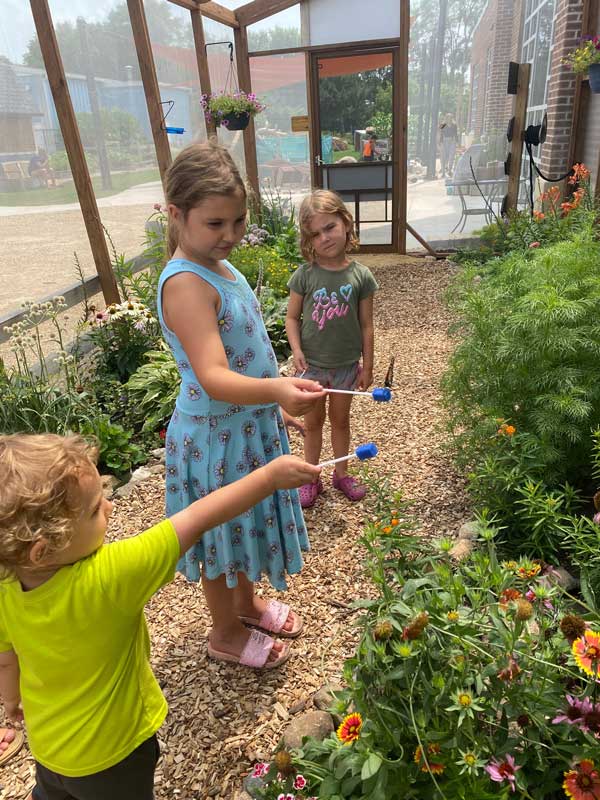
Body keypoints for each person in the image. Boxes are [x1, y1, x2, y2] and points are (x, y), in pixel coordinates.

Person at [0, 433, 319, 800]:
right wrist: (268, 478)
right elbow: (197, 518)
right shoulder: (111, 577)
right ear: (42, 551)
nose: (110, 508)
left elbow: (7, 659)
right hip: (114, 756)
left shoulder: (6, 586)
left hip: (49, 750)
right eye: (93, 509)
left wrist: (10, 701)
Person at [159, 142, 326, 669]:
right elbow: (212, 377)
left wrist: (270, 405)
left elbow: (244, 357)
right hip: (214, 440)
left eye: (237, 220)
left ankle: (247, 602)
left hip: (245, 428)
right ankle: (225, 632)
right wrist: (276, 389)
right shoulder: (186, 283)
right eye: (214, 223)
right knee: (218, 538)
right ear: (176, 215)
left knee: (244, 525)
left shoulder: (219, 267)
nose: (229, 235)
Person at [286, 189, 378, 509]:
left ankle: (341, 474)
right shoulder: (305, 276)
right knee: (313, 424)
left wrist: (367, 366)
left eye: (330, 227)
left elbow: (366, 324)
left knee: (340, 421)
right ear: (308, 240)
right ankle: (312, 478)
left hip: (344, 368)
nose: (324, 238)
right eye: (315, 233)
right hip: (311, 366)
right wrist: (295, 349)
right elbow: (291, 317)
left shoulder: (361, 276)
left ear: (346, 223)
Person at [439, 114, 458, 178]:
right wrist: (440, 142)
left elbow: (456, 134)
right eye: (448, 117)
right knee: (443, 157)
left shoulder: (454, 125)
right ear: (446, 118)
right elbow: (440, 134)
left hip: (452, 141)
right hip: (444, 141)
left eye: (450, 117)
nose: (449, 119)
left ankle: (449, 170)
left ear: (452, 118)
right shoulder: (443, 125)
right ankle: (443, 173)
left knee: (451, 156)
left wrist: (457, 143)